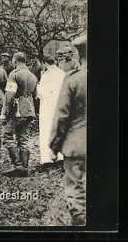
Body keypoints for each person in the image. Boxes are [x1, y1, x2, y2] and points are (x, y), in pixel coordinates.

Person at [49, 34, 87, 226]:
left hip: (77, 145)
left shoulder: (74, 80)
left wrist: (54, 146)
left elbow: (62, 117)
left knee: (76, 190)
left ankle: (80, 226)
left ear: (78, 54)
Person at [0, 52, 38, 177]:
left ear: (15, 61)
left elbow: (9, 95)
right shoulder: (33, 76)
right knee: (24, 138)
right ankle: (25, 167)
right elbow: (36, 95)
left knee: (7, 136)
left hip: (16, 110)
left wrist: (4, 113)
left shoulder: (14, 74)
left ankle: (18, 165)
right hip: (29, 110)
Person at [36, 55, 65, 170]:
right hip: (60, 105)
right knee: (59, 129)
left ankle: (47, 158)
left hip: (47, 106)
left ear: (44, 63)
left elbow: (41, 93)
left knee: (46, 130)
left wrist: (37, 87)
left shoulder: (46, 75)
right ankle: (60, 156)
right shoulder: (62, 73)